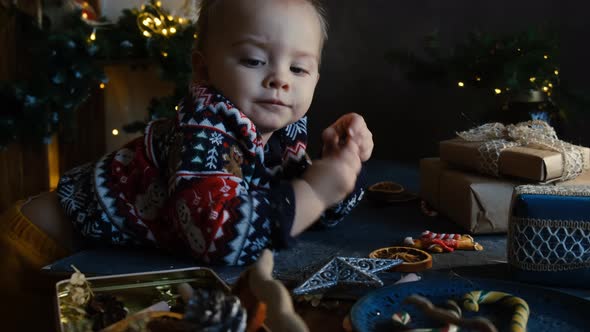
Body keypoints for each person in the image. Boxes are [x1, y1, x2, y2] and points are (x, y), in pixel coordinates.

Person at [0, 0, 373, 322]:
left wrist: (342, 163)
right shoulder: (204, 131)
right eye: (254, 60)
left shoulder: (282, 135)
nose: (279, 79)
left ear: (316, 79)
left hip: (97, 261)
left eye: (298, 69)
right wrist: (317, 189)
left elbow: (303, 215)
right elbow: (219, 239)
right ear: (204, 69)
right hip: (38, 250)